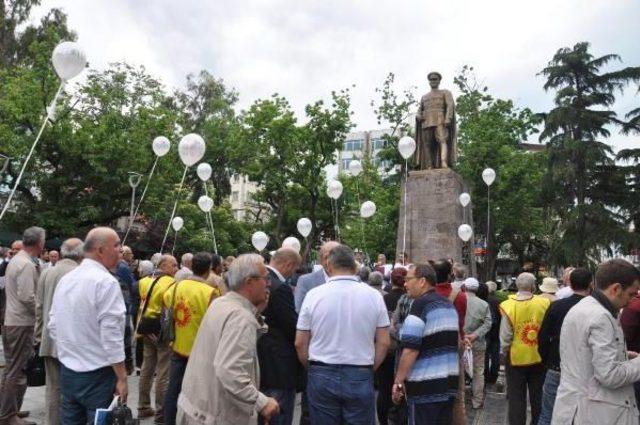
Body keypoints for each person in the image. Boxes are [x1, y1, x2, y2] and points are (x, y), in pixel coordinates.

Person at [176, 254, 280, 424]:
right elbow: (230, 370)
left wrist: (255, 312)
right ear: (249, 282)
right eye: (265, 278)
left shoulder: (222, 303)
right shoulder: (241, 317)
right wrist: (262, 402)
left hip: (197, 409)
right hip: (216, 415)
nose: (268, 284)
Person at [295, 245, 390, 425]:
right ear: (355, 268)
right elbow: (384, 342)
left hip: (321, 371)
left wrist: (312, 367)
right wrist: (369, 367)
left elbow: (300, 342)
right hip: (360, 370)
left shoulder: (313, 295)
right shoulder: (374, 296)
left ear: (329, 267)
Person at [48, 227, 128, 424]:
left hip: (69, 370)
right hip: (98, 375)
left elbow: (53, 325)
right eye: (116, 245)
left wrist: (72, 350)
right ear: (100, 250)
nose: (122, 250)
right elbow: (111, 336)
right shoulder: (106, 282)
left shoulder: (67, 279)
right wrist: (122, 377)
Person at [553, 259, 640, 424]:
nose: (632, 300)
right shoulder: (601, 317)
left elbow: (582, 352)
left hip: (576, 408)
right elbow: (609, 375)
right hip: (593, 412)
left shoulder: (582, 307)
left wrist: (622, 354)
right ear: (616, 289)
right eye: (631, 294)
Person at [392, 263, 459, 424]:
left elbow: (410, 350)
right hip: (448, 385)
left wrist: (398, 381)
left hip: (424, 389)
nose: (405, 283)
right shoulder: (448, 305)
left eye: (408, 279)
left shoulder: (420, 306)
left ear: (422, 281)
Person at [163, 252, 218, 425]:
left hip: (178, 346)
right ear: (208, 269)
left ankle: (168, 421)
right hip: (201, 351)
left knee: (173, 389)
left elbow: (165, 302)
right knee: (199, 394)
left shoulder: (177, 286)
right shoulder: (211, 293)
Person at [35, 237, 83, 425]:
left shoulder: (48, 272)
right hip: (73, 342)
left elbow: (39, 307)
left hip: (49, 337)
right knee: (73, 389)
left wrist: (39, 335)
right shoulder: (80, 274)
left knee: (53, 388)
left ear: (62, 252)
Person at [0, 227, 45, 425]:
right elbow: (28, 297)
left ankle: (9, 410)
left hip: (13, 321)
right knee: (15, 370)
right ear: (39, 243)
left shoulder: (18, 260)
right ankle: (8, 415)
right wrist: (42, 314)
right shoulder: (25, 263)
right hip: (20, 323)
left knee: (12, 368)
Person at [537, 267, 592, 425]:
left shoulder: (557, 306)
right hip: (584, 370)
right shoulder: (596, 309)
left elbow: (543, 337)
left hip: (556, 365)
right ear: (590, 284)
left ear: (570, 284)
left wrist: (546, 360)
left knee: (547, 413)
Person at [258, 248, 302, 425]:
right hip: (278, 365)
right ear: (289, 264)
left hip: (261, 358)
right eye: (294, 269)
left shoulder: (262, 281)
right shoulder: (280, 287)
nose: (293, 273)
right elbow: (291, 325)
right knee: (278, 414)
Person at [499, 272, 550, 425]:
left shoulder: (508, 306)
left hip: (515, 358)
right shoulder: (544, 303)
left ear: (517, 286)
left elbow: (506, 336)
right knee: (538, 395)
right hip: (538, 356)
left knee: (516, 396)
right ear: (534, 286)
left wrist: (505, 351)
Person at [137, 254, 178, 422]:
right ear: (164, 265)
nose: (176, 269)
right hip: (161, 330)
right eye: (173, 265)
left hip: (146, 327)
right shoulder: (171, 283)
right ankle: (161, 413)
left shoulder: (144, 281)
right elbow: (170, 308)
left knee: (147, 367)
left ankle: (143, 406)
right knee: (163, 371)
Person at [431, 259, 466, 424]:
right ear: (450, 275)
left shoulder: (425, 295)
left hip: (430, 347)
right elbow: (461, 323)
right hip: (453, 345)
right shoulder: (459, 296)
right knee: (456, 391)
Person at [377, 267, 407, 425]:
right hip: (403, 350)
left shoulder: (384, 298)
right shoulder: (409, 299)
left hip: (386, 347)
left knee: (384, 388)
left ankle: (383, 421)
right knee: (401, 387)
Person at [462, 277, 492, 409]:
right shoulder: (484, 304)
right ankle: (477, 401)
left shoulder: (458, 300)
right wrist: (476, 334)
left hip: (460, 341)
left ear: (464, 287)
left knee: (460, 371)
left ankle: (460, 401)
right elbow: (488, 323)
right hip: (478, 343)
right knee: (478, 372)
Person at [294, 241, 340, 312]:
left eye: (335, 257)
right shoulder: (306, 281)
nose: (330, 261)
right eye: (327, 257)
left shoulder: (353, 281)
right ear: (320, 260)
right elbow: (298, 310)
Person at [484, 281, 501, 385]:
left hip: (486, 332)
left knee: (485, 354)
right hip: (496, 332)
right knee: (495, 355)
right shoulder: (498, 302)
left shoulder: (484, 300)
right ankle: (493, 375)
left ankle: (485, 375)